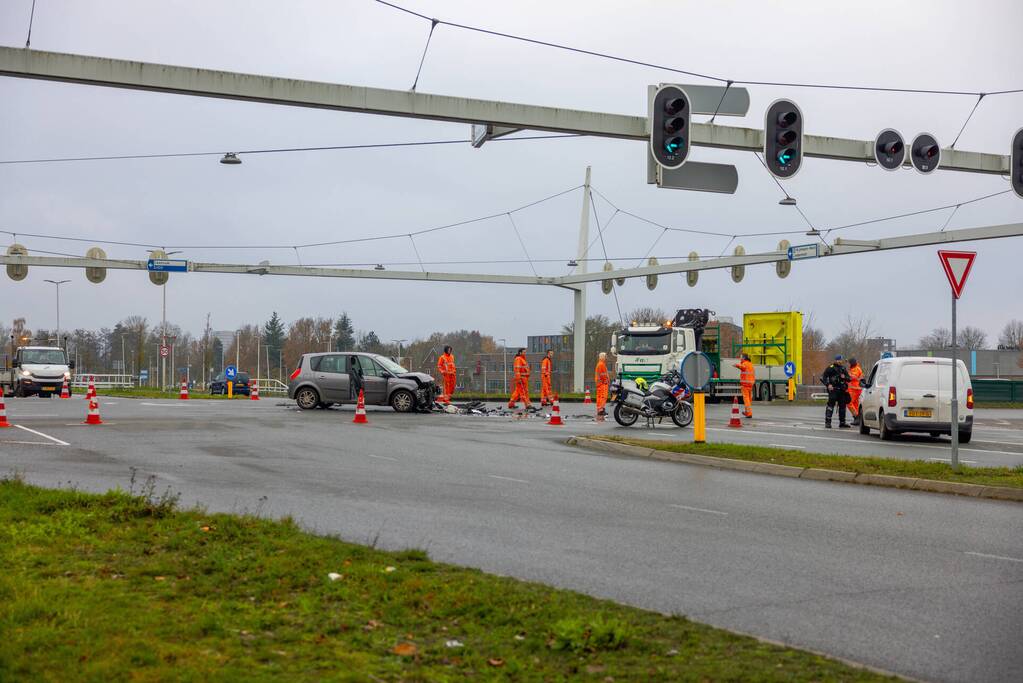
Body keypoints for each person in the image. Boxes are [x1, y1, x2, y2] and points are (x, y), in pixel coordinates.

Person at [822, 355, 852, 428]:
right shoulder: (830, 368)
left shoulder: (843, 368)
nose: (839, 361)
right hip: (833, 390)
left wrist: (844, 377)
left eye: (840, 360)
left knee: (842, 407)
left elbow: (849, 378)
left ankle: (842, 423)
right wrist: (828, 385)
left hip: (842, 390)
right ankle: (828, 422)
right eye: (838, 360)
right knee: (830, 406)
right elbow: (823, 377)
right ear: (835, 360)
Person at [734, 353, 755, 418]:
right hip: (750, 384)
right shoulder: (750, 364)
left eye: (741, 357)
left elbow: (742, 367)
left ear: (744, 358)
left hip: (745, 385)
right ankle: (747, 412)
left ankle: (749, 413)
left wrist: (736, 365)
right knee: (749, 399)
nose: (740, 358)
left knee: (746, 399)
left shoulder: (744, 364)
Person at [847, 357, 864, 426]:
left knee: (849, 403)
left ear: (852, 363)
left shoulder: (856, 369)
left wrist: (846, 375)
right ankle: (857, 419)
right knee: (855, 404)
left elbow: (853, 377)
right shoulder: (854, 368)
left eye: (848, 363)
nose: (848, 364)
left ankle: (857, 416)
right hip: (855, 389)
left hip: (854, 389)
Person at [594, 352, 610, 421]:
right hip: (602, 383)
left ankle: (600, 409)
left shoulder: (600, 364)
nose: (606, 358)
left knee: (600, 396)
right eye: (605, 356)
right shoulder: (601, 364)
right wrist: (606, 380)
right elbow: (603, 374)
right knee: (603, 396)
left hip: (600, 383)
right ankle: (601, 410)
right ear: (602, 357)